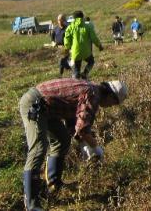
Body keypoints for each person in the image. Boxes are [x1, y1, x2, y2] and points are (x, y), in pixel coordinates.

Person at [19, 78, 128, 210]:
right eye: (113, 103)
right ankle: (31, 203)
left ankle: (54, 183)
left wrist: (82, 143)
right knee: (38, 149)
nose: (111, 106)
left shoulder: (92, 88)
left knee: (62, 139)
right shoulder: (93, 94)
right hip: (35, 103)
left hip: (48, 107)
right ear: (110, 95)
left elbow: (74, 119)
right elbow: (82, 128)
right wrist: (95, 147)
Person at [64, 11, 104, 80]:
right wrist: (99, 46)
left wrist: (67, 49)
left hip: (75, 53)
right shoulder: (88, 27)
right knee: (91, 61)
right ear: (82, 17)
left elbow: (67, 39)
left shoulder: (70, 27)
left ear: (73, 18)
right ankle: (85, 73)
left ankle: (76, 79)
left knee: (77, 69)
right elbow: (94, 38)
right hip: (87, 52)